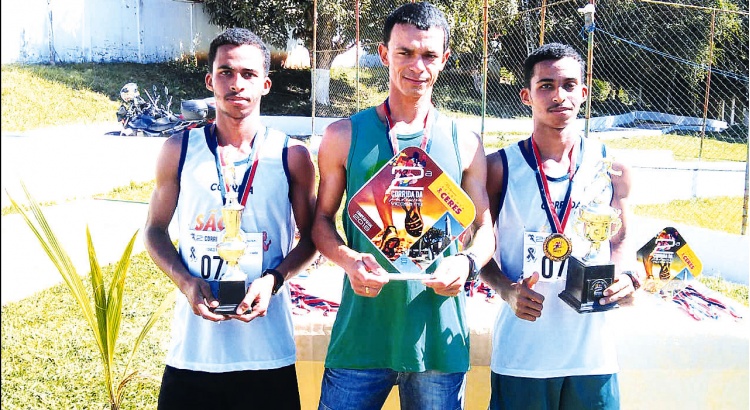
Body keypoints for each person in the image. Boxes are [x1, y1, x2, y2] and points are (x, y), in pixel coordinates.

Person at [312, 2, 495, 409]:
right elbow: (321, 221)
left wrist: (465, 265)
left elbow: (485, 230)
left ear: (444, 59)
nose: (418, 66)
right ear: (383, 55)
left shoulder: (465, 142)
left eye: (429, 55)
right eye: (405, 52)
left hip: (438, 341)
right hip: (362, 334)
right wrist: (347, 259)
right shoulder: (343, 135)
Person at [144, 27, 317, 410]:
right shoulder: (179, 149)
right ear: (210, 79)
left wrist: (273, 280)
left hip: (266, 350)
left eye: (248, 74)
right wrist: (186, 281)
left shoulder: (292, 155)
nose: (236, 83)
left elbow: (311, 239)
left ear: (266, 84)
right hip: (195, 351)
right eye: (225, 72)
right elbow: (154, 230)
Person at [482, 42, 643, 410]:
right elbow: (477, 246)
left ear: (584, 93)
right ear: (526, 95)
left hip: (593, 354)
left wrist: (625, 279)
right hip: (523, 352)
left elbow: (622, 238)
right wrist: (506, 290)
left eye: (570, 85)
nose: (559, 96)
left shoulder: (612, 166)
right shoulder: (499, 167)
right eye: (546, 85)